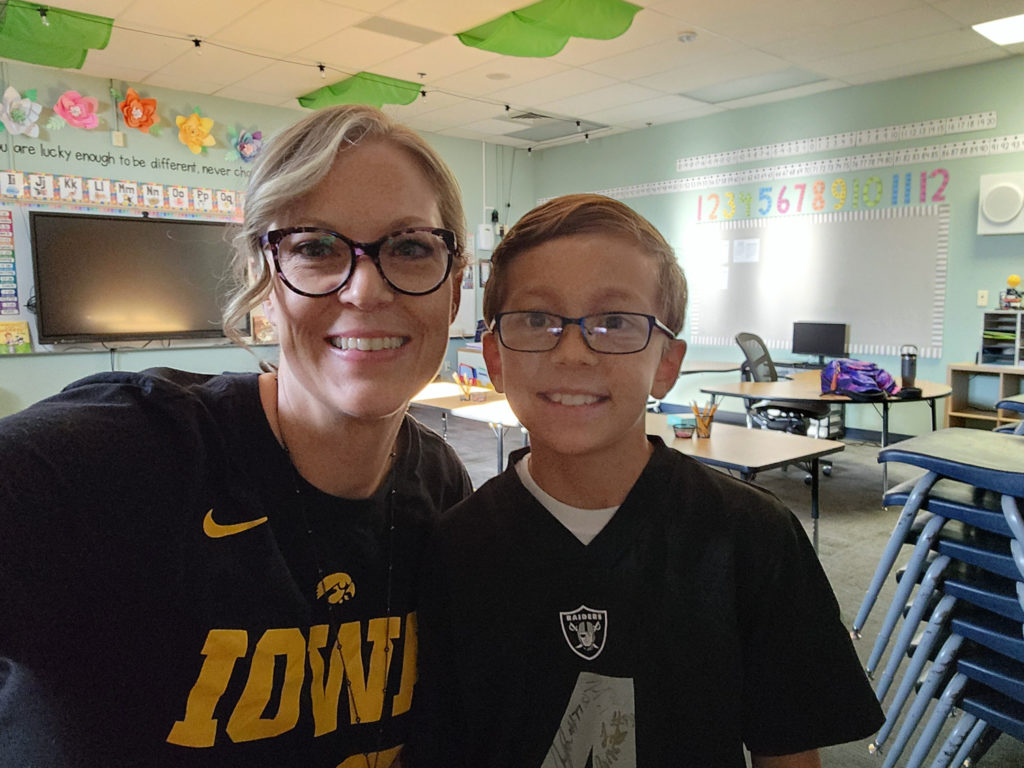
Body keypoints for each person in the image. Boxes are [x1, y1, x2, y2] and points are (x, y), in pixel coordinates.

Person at [0, 104, 473, 767]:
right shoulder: (116, 458)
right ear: (263, 285)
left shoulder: (441, 486)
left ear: (453, 291)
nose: (366, 289)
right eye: (315, 248)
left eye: (410, 247)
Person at [410, 193, 884, 768]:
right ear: (493, 357)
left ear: (667, 364)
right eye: (537, 319)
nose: (574, 352)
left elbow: (785, 751)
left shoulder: (753, 539)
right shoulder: (456, 547)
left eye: (614, 322)